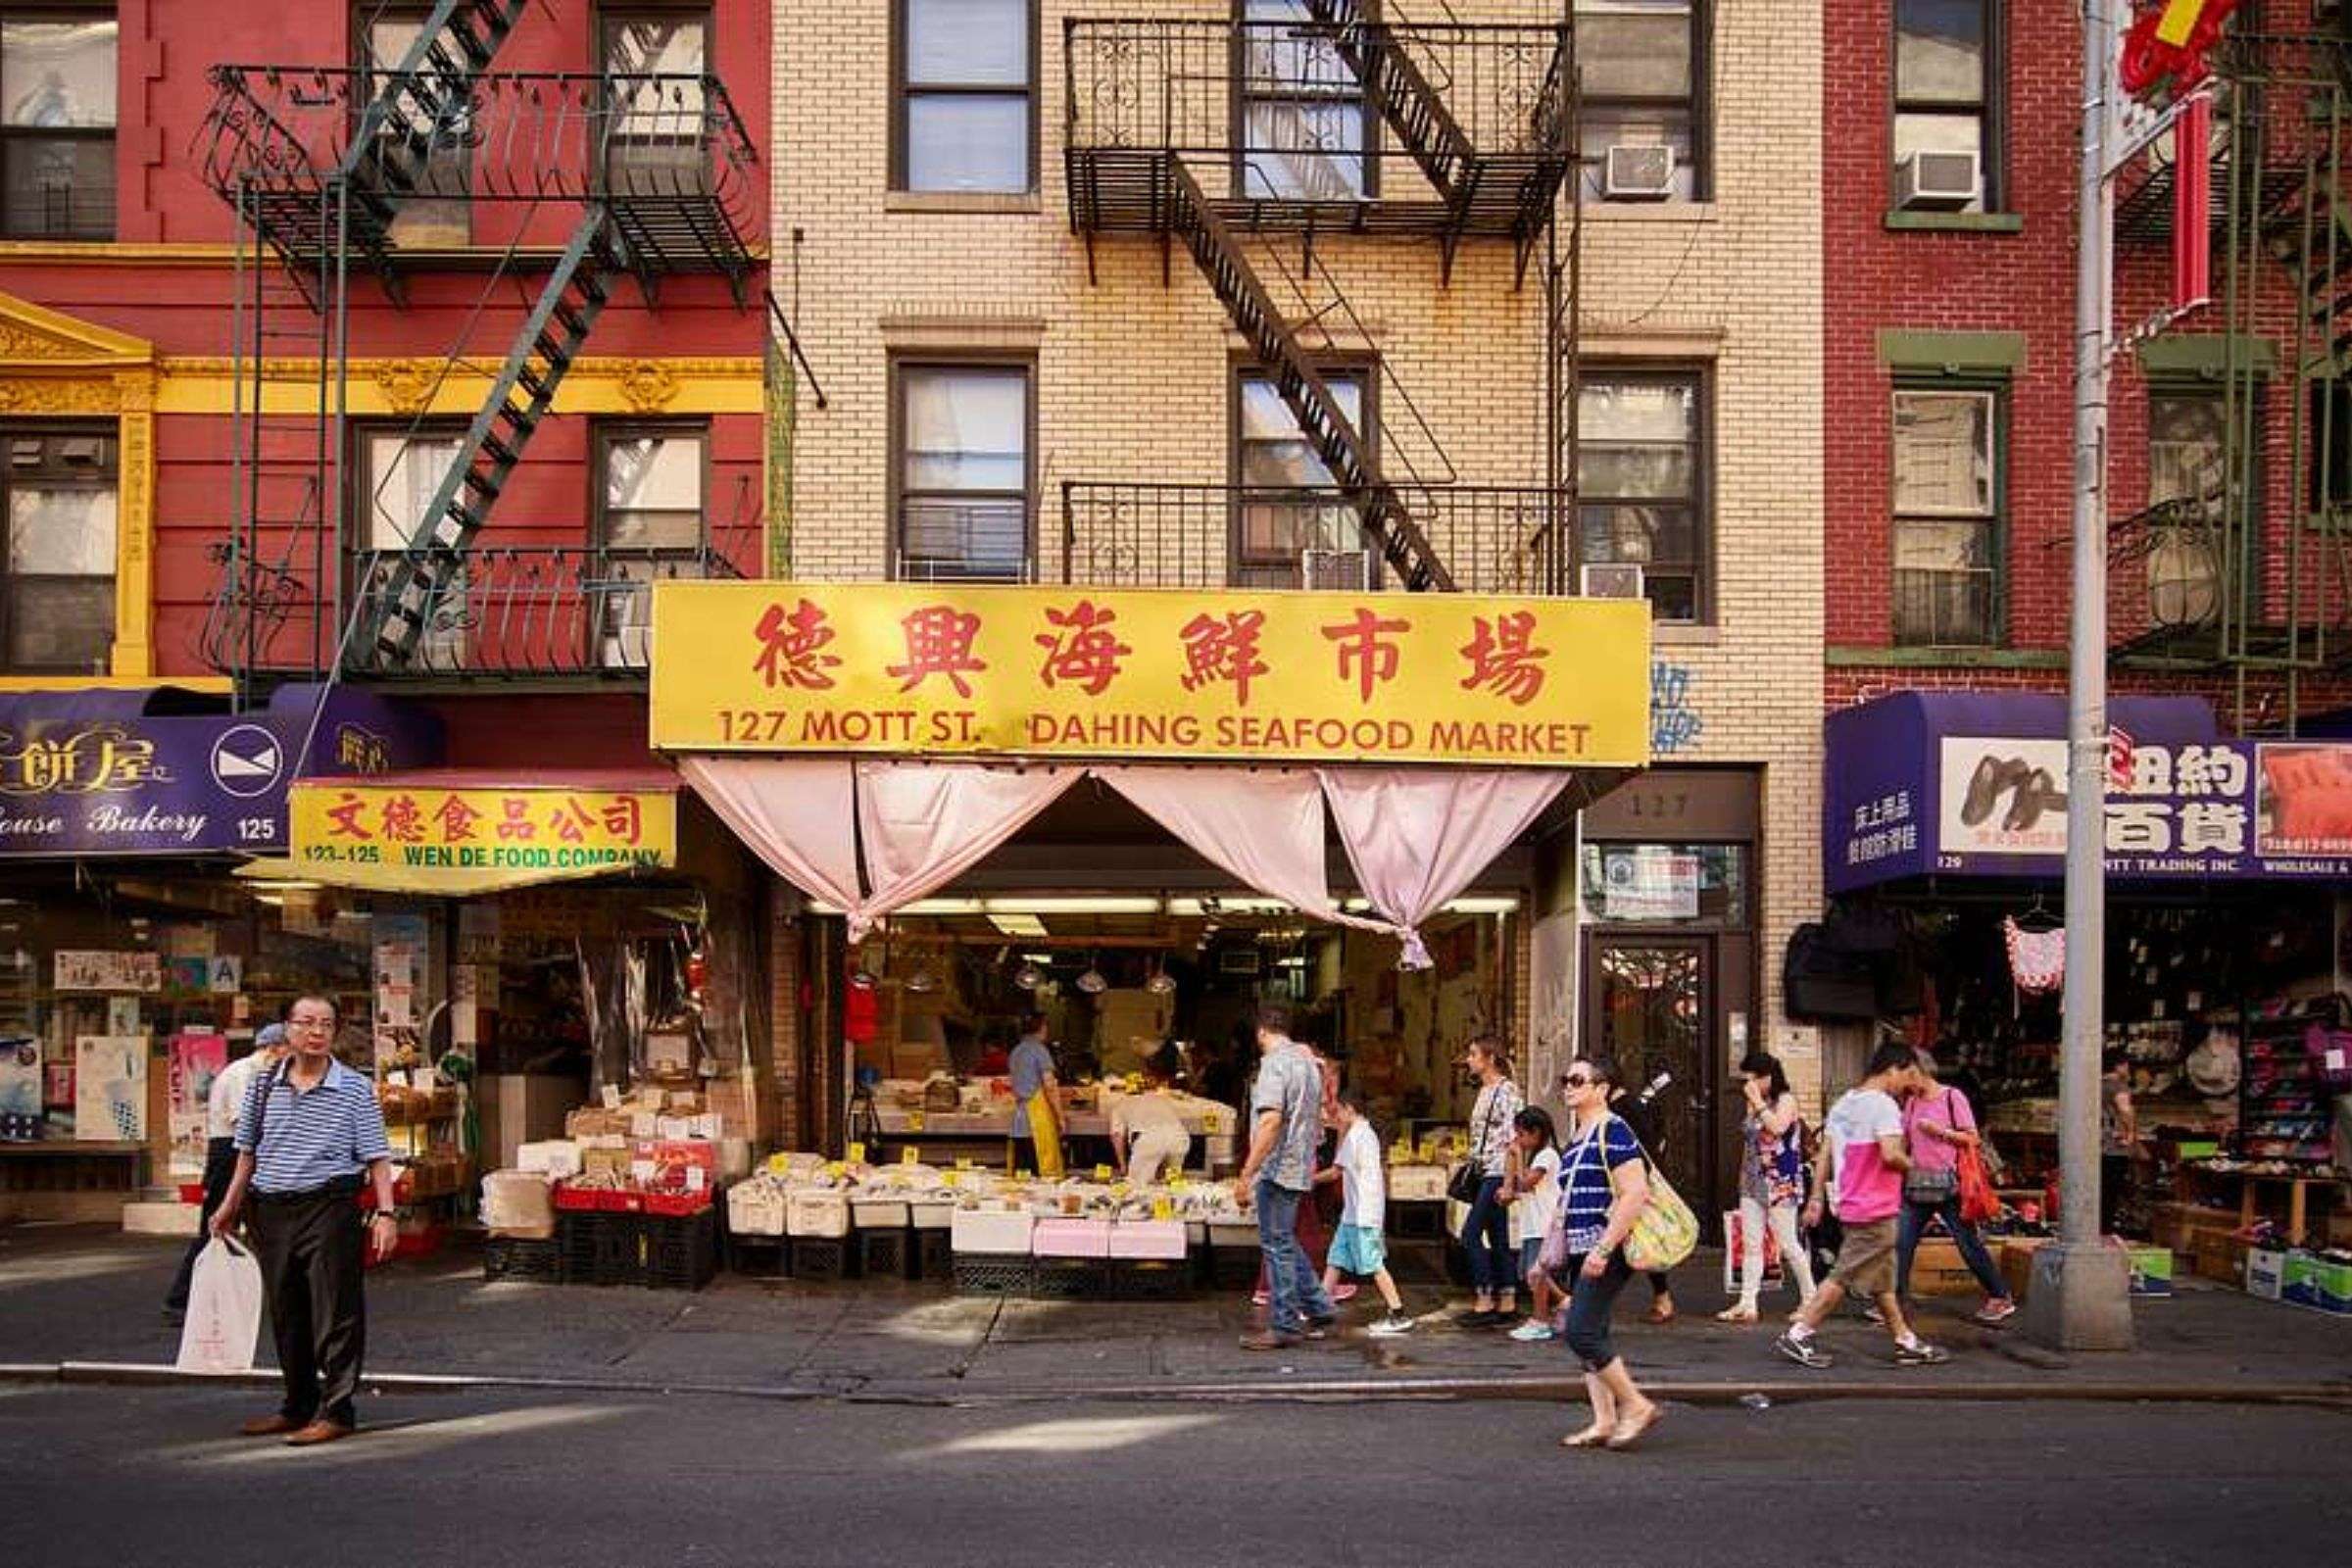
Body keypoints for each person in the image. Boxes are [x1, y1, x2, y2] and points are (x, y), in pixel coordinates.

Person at [209, 996, 399, 1445]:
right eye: (307, 1023)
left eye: (327, 1024)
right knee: (286, 1309)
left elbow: (377, 1155)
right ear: (286, 1029)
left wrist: (387, 1213)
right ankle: (296, 1404)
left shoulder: (353, 1087)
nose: (317, 1032)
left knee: (335, 1310)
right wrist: (229, 1205)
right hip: (270, 1209)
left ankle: (337, 1410)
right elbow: (247, 1152)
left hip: (328, 1207)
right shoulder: (261, 1085)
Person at [1774, 1043, 1949, 1371]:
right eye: (1909, 1075)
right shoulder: (1883, 1106)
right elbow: (1890, 1154)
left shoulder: (1845, 1104)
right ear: (1893, 1069)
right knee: (1844, 1273)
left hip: (1851, 1202)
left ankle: (1904, 1340)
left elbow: (1824, 1154)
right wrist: (1920, 1167)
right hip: (1876, 1205)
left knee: (1883, 1280)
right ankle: (1798, 1333)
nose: (1909, 1085)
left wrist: (1816, 1197)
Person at [1552, 1056, 1664, 1450]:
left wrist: (1603, 1248)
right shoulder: (1580, 1135)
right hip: (1582, 1247)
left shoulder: (1614, 1131)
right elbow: (1567, 1199)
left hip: (1607, 1246)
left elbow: (1635, 1192)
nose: (1568, 1086)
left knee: (1579, 1330)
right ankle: (1603, 1420)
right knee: (1592, 1330)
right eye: (1566, 1079)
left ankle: (1635, 1404)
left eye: (1578, 1080)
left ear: (1601, 1089)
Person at [165, 1024, 289, 1322]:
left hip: (242, 1152)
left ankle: (244, 1298)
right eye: (287, 1049)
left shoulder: (259, 1074)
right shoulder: (243, 1074)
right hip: (230, 1153)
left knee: (260, 1228)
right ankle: (179, 1301)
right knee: (218, 1226)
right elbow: (242, 1123)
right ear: (272, 1048)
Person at [1235, 1003, 1336, 1351]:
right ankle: (1320, 1305)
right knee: (1284, 1240)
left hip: (1276, 1167)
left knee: (1276, 1244)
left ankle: (1285, 1323)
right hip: (1299, 1162)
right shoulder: (1308, 1063)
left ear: (1262, 1032)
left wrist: (1247, 1171)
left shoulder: (1275, 1065)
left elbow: (1270, 1121)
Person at [1893, 1053, 2015, 1326]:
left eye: (1908, 1074)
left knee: (1967, 1243)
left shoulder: (1952, 1097)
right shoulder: (1911, 1103)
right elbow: (1903, 1141)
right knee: (1901, 1242)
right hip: (1917, 1185)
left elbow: (1972, 1138)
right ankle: (1895, 1303)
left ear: (1920, 1071)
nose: (1905, 1082)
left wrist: (1940, 1132)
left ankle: (2000, 1295)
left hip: (1950, 1186)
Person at [1719, 1050, 1817, 1323]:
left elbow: (1777, 1128)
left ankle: (1811, 1298)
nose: (1749, 1084)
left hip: (1780, 1181)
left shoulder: (1786, 1100)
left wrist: (1757, 1102)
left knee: (1788, 1243)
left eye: (1753, 1078)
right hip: (1753, 1180)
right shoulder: (1757, 1100)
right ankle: (1747, 1303)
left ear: (1768, 1077)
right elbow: (1750, 1137)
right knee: (1751, 1244)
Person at [1320, 1087, 1413, 1337]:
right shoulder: (1362, 1134)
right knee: (1335, 1258)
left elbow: (1336, 1171)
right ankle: (1319, 1307)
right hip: (1354, 1212)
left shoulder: (1358, 1136)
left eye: (1339, 1110)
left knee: (1373, 1264)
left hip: (1363, 1214)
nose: (1336, 1115)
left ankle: (1398, 1312)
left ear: (1349, 1109)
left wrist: (1308, 1180)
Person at [1457, 1036, 1524, 1326]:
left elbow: (1514, 1140)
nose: (1469, 1060)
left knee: (1470, 1234)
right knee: (1498, 1237)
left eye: (1473, 1054)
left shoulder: (1506, 1092)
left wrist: (1509, 1183)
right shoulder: (1484, 1090)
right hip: (1485, 1169)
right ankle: (1507, 1300)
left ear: (1490, 1059)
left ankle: (1484, 1299)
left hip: (1498, 1172)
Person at [1606, 1074, 1679, 1323]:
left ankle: (1662, 1297)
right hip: (1633, 1183)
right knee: (1636, 1242)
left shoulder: (1623, 1110)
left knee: (1640, 1242)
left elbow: (1646, 1146)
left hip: (1635, 1186)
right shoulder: (1628, 1106)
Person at [1503, 1105, 1563, 1343]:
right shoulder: (1538, 1156)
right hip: (1533, 1224)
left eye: (1521, 1134)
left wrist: (1517, 1158)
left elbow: (1526, 1183)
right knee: (1533, 1274)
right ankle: (1556, 1307)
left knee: (1536, 1274)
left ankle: (1542, 1318)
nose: (1518, 1140)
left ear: (1536, 1132)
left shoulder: (1546, 1155)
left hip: (1543, 1224)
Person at [1111, 1050, 1191, 1186]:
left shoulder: (1120, 1104)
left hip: (1149, 1141)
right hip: (1179, 1140)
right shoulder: (1160, 1098)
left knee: (1137, 1187)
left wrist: (1123, 1166)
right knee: (1172, 1185)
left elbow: (1117, 1136)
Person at [1006, 1012, 1064, 1180]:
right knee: (1042, 1173)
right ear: (1041, 1028)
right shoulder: (1039, 1050)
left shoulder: (1015, 1052)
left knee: (1022, 1175)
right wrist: (1060, 1116)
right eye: (1046, 1026)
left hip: (1019, 1119)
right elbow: (1050, 1086)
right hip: (1037, 1117)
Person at [2101, 1048, 2138, 1236]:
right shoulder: (2118, 1086)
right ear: (2119, 1066)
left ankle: (2100, 1228)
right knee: (2112, 1190)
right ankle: (2107, 1231)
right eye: (2126, 1064)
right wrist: (2130, 1133)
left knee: (2101, 1190)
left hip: (2098, 1145)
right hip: (2115, 1146)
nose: (2128, 1068)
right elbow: (2124, 1109)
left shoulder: (2096, 1085)